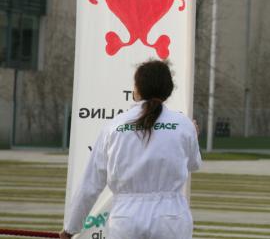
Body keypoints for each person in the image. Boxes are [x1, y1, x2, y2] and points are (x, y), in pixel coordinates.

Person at [60, 59, 201, 239]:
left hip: (126, 218)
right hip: (171, 217)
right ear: (168, 90)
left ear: (137, 90)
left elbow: (90, 184)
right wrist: (193, 136)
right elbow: (194, 164)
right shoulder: (184, 125)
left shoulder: (113, 127)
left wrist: (70, 228)